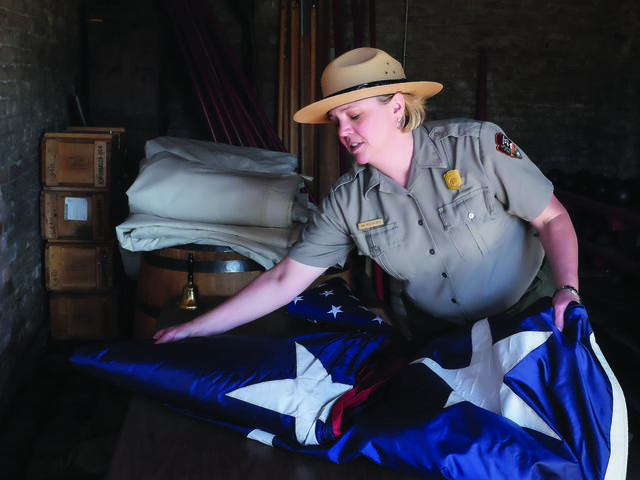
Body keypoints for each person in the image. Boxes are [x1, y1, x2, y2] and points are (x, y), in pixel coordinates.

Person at [154, 47, 579, 344]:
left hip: (532, 316)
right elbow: (285, 279)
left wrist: (569, 291)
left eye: (354, 115)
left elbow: (552, 219)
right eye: (336, 120)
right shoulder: (347, 202)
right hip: (444, 341)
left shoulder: (478, 147)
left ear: (397, 107)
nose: (342, 132)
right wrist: (197, 327)